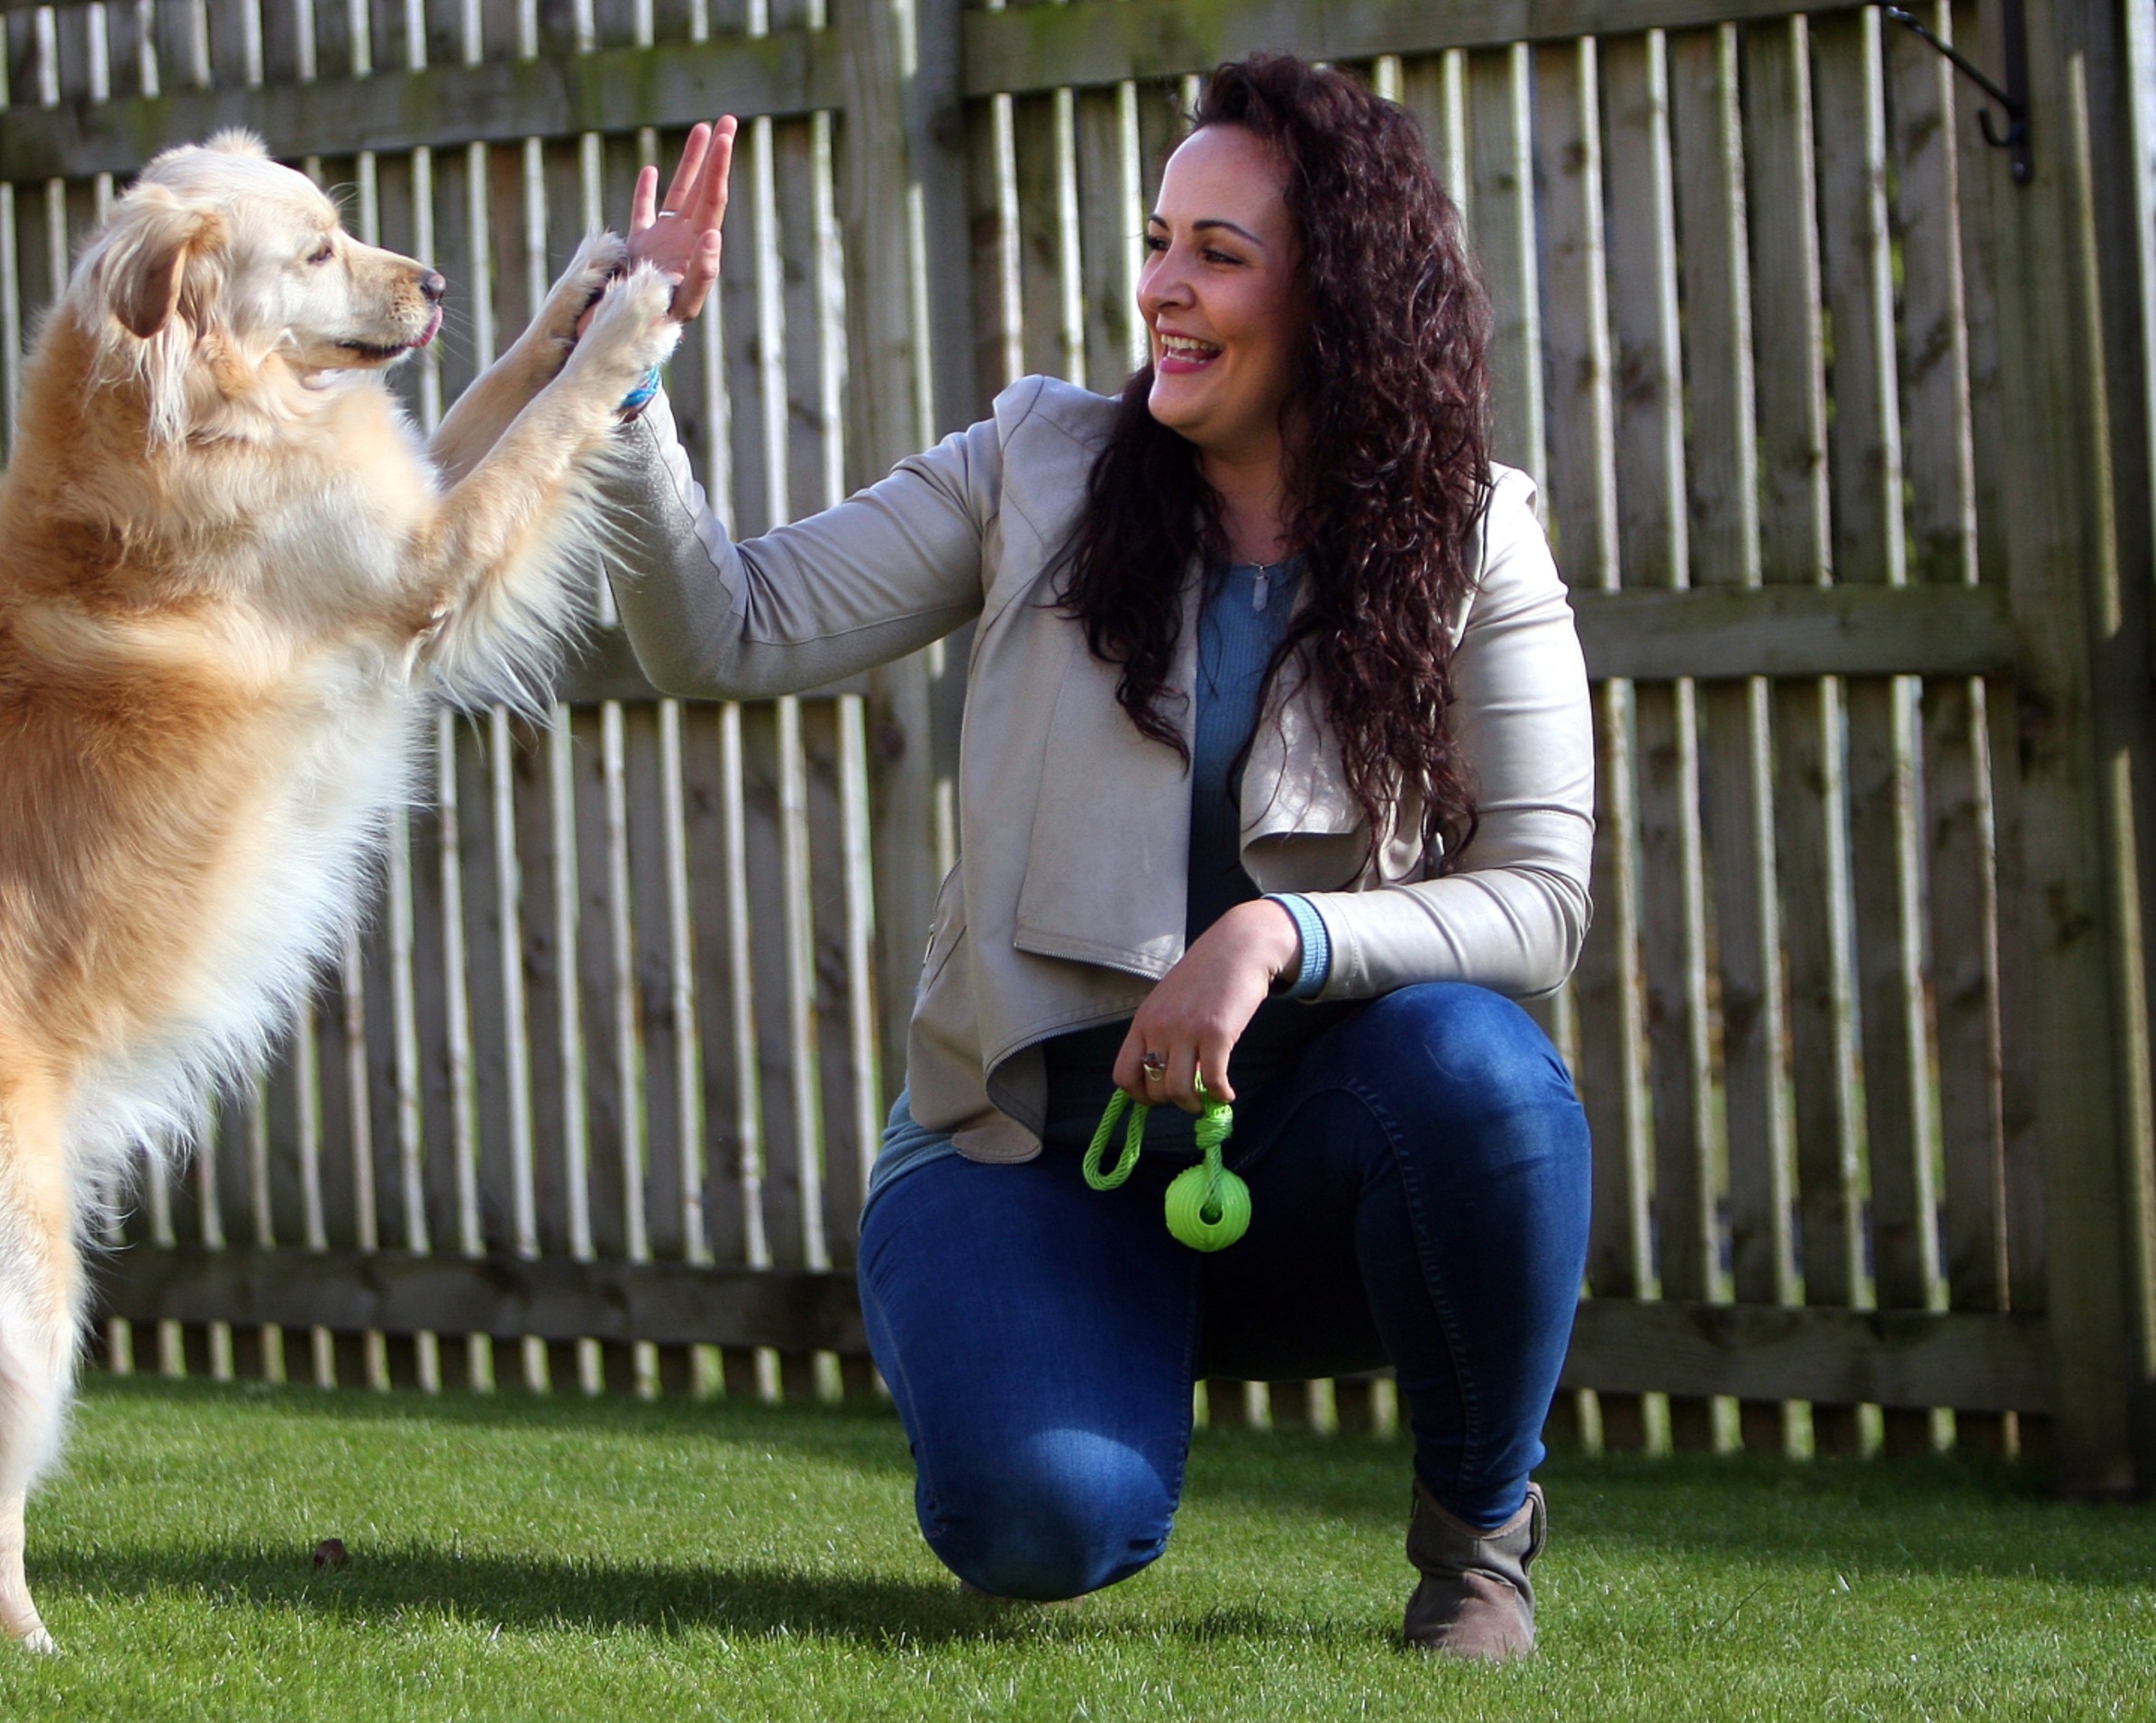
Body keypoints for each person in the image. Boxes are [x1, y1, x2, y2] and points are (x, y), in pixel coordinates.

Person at [600, 56, 1593, 1662]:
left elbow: (1542, 899)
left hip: (1306, 1165)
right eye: (1156, 240)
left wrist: (1281, 938)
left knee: (1483, 1070)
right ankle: (1065, 1351)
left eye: (1217, 252)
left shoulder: (1470, 532)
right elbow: (729, 626)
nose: (1160, 289)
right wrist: (627, 372)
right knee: (1040, 1526)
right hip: (1031, 1147)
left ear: (1336, 289)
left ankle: (1478, 1539)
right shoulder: (1035, 465)